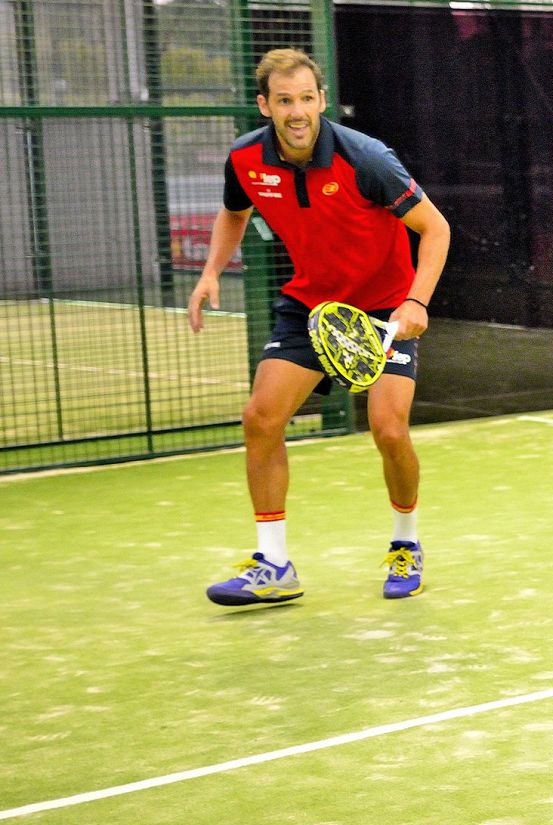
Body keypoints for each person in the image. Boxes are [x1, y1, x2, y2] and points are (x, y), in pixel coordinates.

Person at [186, 48, 451, 605]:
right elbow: (234, 213)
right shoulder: (245, 160)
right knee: (261, 418)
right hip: (310, 306)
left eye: (307, 98)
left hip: (384, 310)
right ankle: (274, 564)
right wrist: (211, 272)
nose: (298, 110)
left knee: (389, 430)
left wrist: (416, 302)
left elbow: (435, 228)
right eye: (285, 100)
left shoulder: (368, 159)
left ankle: (406, 544)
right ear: (266, 106)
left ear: (322, 100)